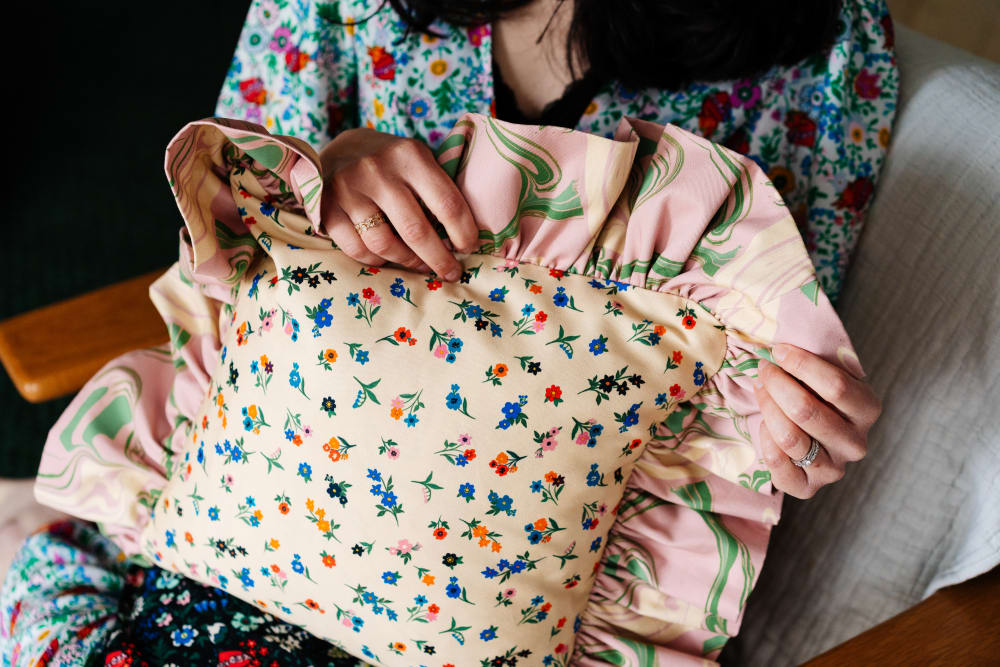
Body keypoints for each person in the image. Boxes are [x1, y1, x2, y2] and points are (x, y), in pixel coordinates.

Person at [2, 1, 895, 665]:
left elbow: (767, 368)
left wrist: (795, 425)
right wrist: (329, 165)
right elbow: (224, 268)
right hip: (225, 562)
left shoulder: (825, 45)